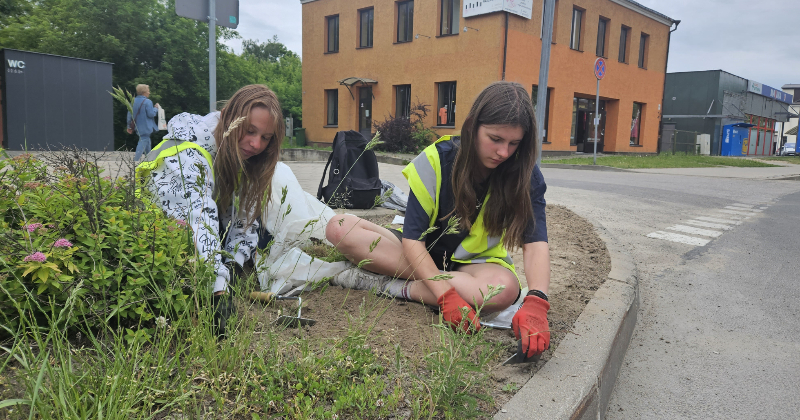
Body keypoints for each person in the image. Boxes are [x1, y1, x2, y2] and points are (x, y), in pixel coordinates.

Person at [325, 81, 551, 358]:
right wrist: (447, 295)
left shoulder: (525, 174)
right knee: (338, 228)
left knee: (504, 291)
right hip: (416, 254)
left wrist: (537, 301)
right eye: (495, 139)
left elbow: (535, 243)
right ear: (472, 127)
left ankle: (390, 286)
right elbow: (412, 241)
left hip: (475, 265)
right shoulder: (435, 160)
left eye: (514, 143)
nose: (504, 152)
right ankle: (429, 287)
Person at [136, 84, 284, 336]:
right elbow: (199, 221)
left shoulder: (238, 154)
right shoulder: (186, 157)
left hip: (198, 242)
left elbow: (245, 218)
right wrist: (219, 289)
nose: (256, 144)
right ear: (227, 116)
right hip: (156, 245)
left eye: (266, 137)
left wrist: (234, 263)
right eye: (250, 131)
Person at [127, 84, 160, 161]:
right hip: (146, 126)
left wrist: (129, 126)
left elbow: (129, 115)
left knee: (147, 142)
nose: (149, 93)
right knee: (143, 142)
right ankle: (135, 160)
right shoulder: (148, 102)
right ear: (144, 92)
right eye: (148, 91)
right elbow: (151, 114)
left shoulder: (132, 101)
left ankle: (149, 160)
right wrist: (156, 108)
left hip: (137, 126)